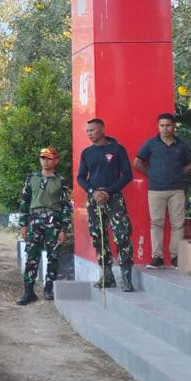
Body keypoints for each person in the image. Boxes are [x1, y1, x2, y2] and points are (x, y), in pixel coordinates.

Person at [77, 118, 137, 292]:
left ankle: (126, 278)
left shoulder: (117, 150)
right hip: (94, 199)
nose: (89, 134)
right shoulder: (87, 153)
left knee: (122, 236)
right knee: (98, 237)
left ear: (102, 130)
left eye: (93, 130)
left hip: (114, 197)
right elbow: (81, 177)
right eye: (87, 131)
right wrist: (92, 192)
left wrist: (108, 192)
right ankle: (107, 275)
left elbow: (127, 175)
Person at [134, 113, 191, 268]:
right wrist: (151, 173)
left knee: (178, 224)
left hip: (177, 190)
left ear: (174, 127)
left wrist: (181, 173)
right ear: (158, 126)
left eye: (168, 125)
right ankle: (158, 258)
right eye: (162, 125)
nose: (165, 128)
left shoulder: (182, 145)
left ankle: (176, 257)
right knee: (156, 223)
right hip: (156, 190)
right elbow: (137, 162)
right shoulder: (151, 144)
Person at [17, 147, 73, 305]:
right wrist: (23, 224)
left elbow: (66, 206)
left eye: (49, 158)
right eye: (43, 158)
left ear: (56, 160)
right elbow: (24, 201)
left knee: (53, 256)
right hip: (35, 220)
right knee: (31, 256)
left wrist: (64, 229)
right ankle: (28, 291)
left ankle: (49, 289)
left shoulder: (61, 181)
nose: (45, 161)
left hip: (53, 221)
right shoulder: (31, 179)